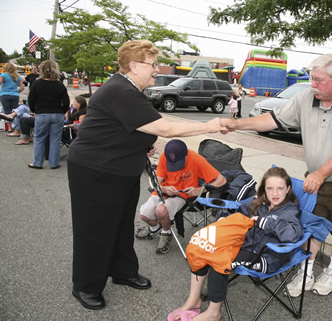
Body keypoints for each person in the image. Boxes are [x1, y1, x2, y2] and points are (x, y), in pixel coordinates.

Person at [66, 39, 225, 311]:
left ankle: (122, 271)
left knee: (120, 224)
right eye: (152, 65)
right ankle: (86, 285)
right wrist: (209, 125)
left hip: (121, 169)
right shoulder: (121, 91)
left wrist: (141, 143)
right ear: (133, 66)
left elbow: (132, 127)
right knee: (95, 228)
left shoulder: (130, 91)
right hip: (96, 170)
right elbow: (166, 129)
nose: (156, 70)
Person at [221, 53, 332, 298]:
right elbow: (271, 119)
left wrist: (321, 174)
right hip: (316, 176)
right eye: (312, 79)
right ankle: (306, 269)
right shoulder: (305, 98)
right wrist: (236, 124)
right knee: (308, 224)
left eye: (319, 80)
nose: (312, 84)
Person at [168, 166, 303, 321]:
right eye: (270, 188)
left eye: (280, 188)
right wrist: (223, 217)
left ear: (288, 189)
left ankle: (213, 314)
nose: (274, 193)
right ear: (264, 189)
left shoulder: (290, 211)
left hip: (268, 256)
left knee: (219, 260)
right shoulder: (257, 204)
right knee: (203, 248)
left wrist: (265, 223)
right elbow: (236, 213)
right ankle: (194, 300)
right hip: (243, 247)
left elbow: (294, 234)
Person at [135, 139, 227, 254]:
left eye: (178, 163)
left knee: (160, 210)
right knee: (144, 215)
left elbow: (222, 180)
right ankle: (155, 227)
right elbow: (156, 182)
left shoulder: (196, 159)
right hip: (164, 191)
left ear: (186, 154)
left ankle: (166, 232)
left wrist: (200, 190)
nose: (175, 166)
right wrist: (164, 189)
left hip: (183, 195)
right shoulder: (165, 156)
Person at [27, 60, 70, 169]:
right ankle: (54, 163)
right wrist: (62, 111)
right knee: (55, 139)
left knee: (39, 138)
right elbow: (66, 101)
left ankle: (37, 162)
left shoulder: (37, 83)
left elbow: (31, 100)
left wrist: (34, 110)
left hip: (42, 113)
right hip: (57, 113)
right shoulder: (59, 85)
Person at [0, 63, 25, 130]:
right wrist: (17, 92)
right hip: (15, 95)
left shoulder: (3, 75)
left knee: (7, 111)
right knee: (14, 111)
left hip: (4, 94)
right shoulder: (17, 77)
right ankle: (15, 126)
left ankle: (9, 127)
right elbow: (22, 87)